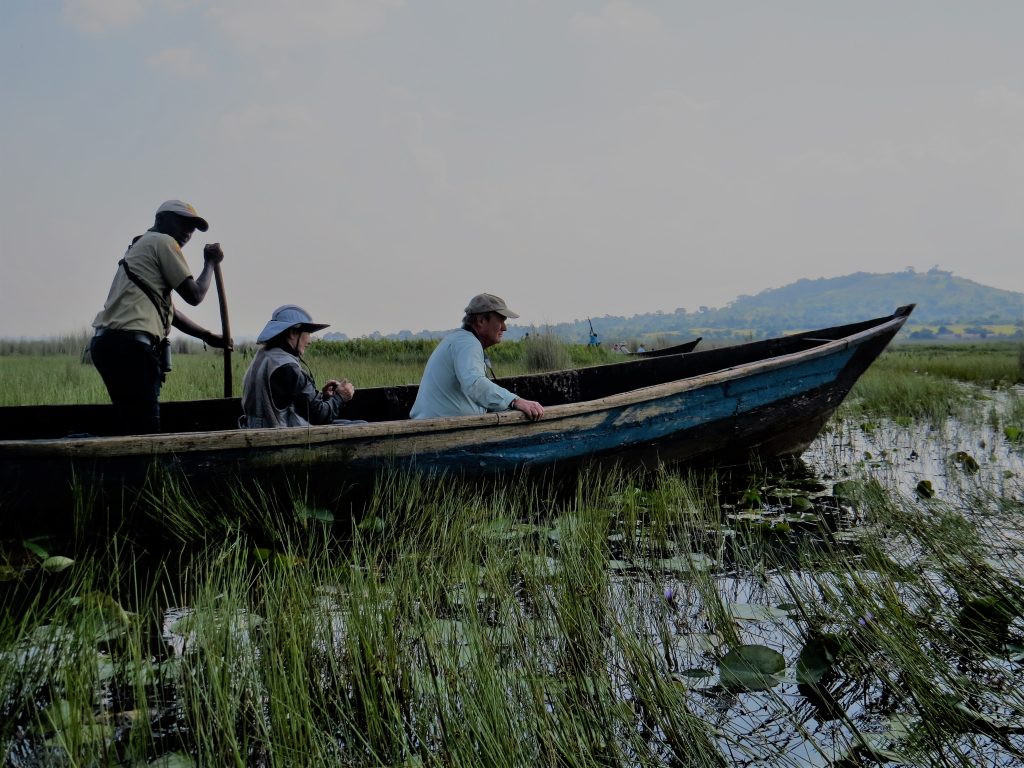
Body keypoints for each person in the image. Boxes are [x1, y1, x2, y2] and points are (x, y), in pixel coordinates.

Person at [90, 200, 231, 435]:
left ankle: (125, 468)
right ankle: (146, 471)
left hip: (107, 344)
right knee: (146, 429)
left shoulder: (141, 246)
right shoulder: (164, 242)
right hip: (132, 348)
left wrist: (207, 336)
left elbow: (168, 311)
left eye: (192, 228)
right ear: (161, 219)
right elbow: (195, 295)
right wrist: (210, 263)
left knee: (130, 422)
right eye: (183, 223)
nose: (188, 232)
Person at [410, 293, 544, 420]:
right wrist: (515, 401)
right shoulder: (468, 344)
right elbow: (475, 383)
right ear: (481, 321)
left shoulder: (462, 340)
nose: (504, 328)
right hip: (439, 429)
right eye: (501, 321)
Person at [240, 305, 358, 428]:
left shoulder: (264, 355)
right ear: (293, 332)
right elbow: (319, 416)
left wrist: (324, 396)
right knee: (360, 426)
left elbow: (293, 401)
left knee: (353, 424)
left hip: (260, 429)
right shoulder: (287, 367)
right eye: (308, 332)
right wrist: (340, 397)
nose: (310, 341)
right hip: (280, 437)